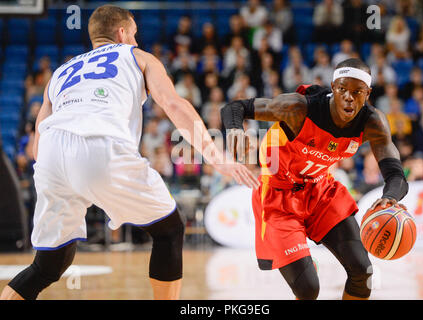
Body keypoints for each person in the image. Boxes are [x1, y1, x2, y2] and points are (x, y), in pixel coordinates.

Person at [0, 5, 259, 301]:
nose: (136, 41)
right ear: (122, 33)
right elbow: (174, 105)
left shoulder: (60, 72)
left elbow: (36, 142)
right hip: (100, 145)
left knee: (47, 265)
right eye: (134, 34)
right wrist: (217, 157)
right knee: (169, 230)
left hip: (49, 157)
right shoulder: (138, 56)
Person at [221, 58, 409, 300]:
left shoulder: (373, 122)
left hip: (321, 191)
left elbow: (396, 174)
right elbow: (234, 108)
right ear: (333, 87)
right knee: (308, 288)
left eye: (357, 91)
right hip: (279, 196)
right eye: (342, 89)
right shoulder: (298, 108)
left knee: (364, 271)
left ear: (368, 93)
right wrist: (235, 129)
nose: (349, 97)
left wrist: (390, 197)